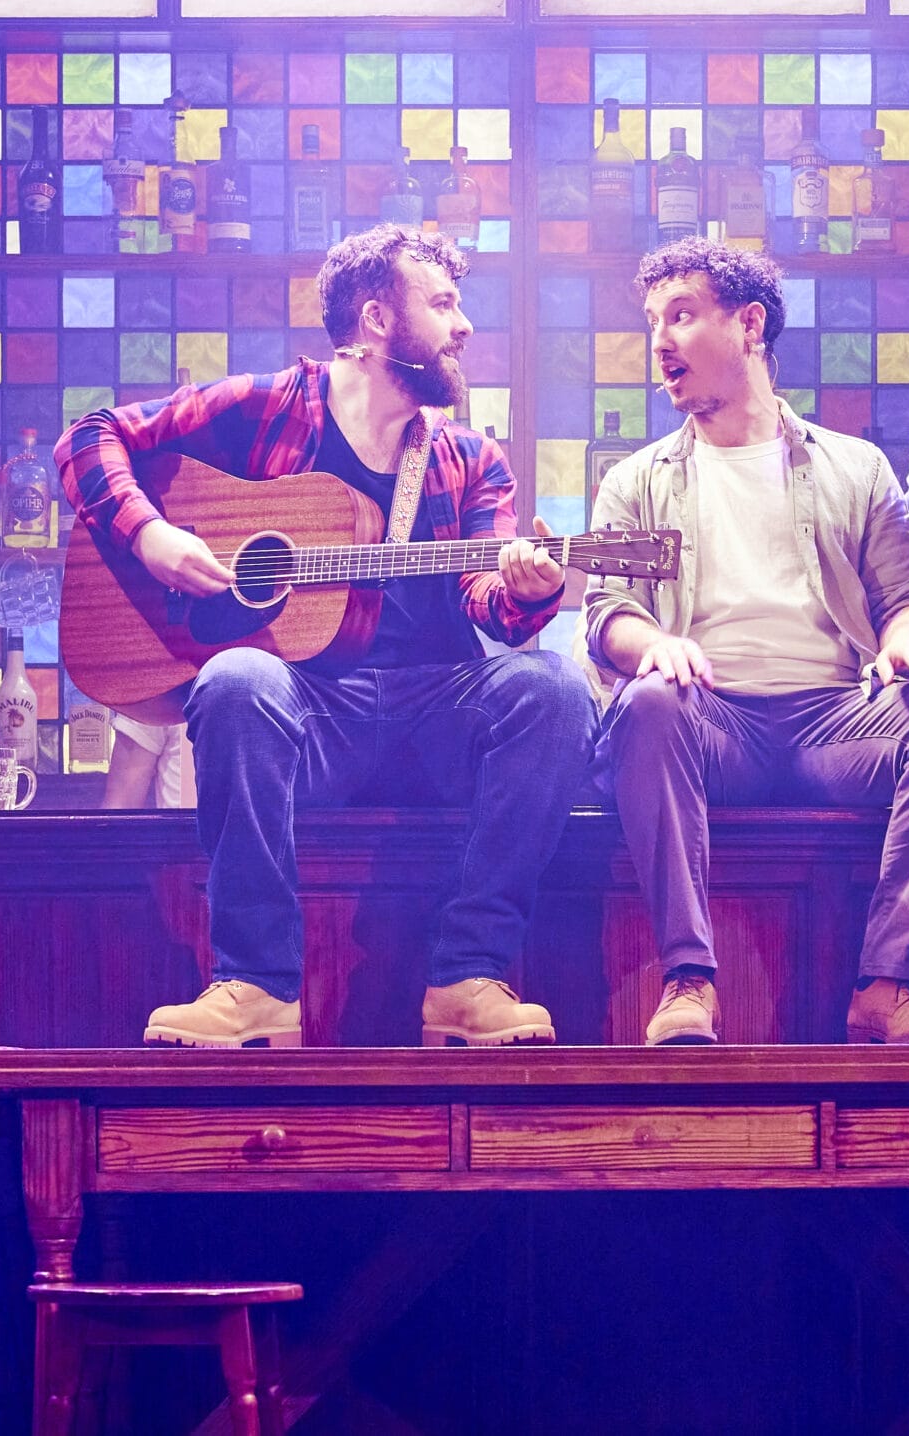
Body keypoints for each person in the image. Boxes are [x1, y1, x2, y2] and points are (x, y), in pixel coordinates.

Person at [55, 225, 597, 1049]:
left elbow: (492, 606)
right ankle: (254, 987)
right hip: (307, 716)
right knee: (237, 677)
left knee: (554, 686)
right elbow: (89, 436)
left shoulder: (468, 458)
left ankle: (467, 977)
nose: (465, 327)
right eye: (444, 304)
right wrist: (153, 536)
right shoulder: (265, 408)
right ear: (377, 319)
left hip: (433, 715)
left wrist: (535, 591)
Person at [585, 238, 909, 1047]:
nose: (660, 340)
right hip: (708, 724)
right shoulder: (636, 480)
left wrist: (906, 643)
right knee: (647, 703)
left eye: (683, 315)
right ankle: (689, 982)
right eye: (653, 321)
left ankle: (886, 985)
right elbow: (607, 613)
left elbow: (907, 596)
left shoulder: (856, 467)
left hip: (834, 724)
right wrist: (653, 644)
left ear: (749, 325)